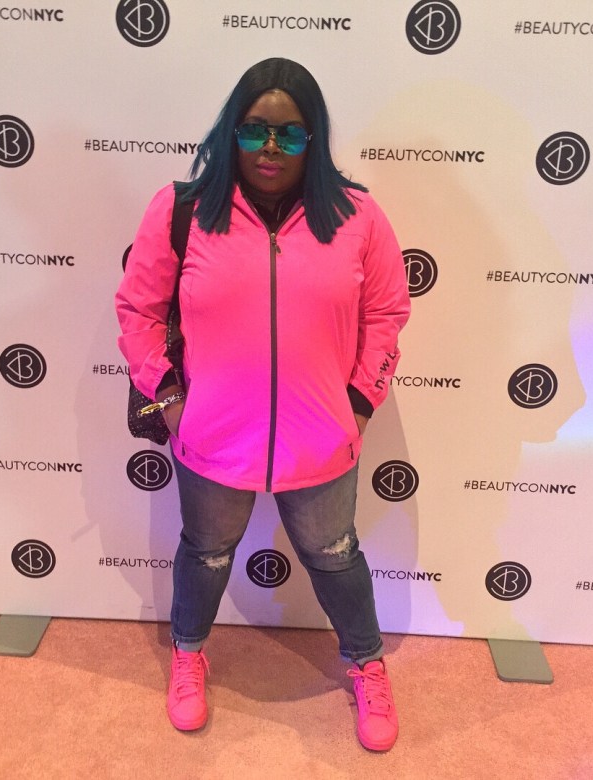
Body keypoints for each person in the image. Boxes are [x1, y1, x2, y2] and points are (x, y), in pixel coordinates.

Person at [115, 57, 410, 752]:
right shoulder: (184, 211)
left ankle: (366, 664)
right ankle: (189, 654)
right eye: (254, 130)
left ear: (313, 140)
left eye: (290, 133)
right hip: (211, 438)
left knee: (335, 555)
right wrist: (169, 397)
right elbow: (138, 310)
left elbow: (386, 312)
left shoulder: (358, 217)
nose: (270, 147)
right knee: (205, 552)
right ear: (232, 132)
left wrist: (360, 401)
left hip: (322, 439)